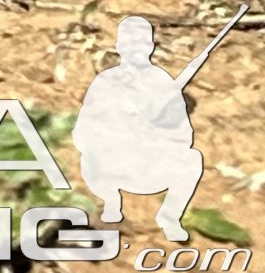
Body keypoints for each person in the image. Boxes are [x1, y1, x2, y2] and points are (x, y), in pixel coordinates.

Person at [77, 17, 209, 241]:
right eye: (130, 44)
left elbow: (183, 136)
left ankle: (170, 217)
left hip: (149, 164)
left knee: (192, 159)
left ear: (151, 47)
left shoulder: (162, 82)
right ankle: (111, 204)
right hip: (112, 163)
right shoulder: (107, 81)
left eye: (143, 44)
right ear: (119, 47)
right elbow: (83, 129)